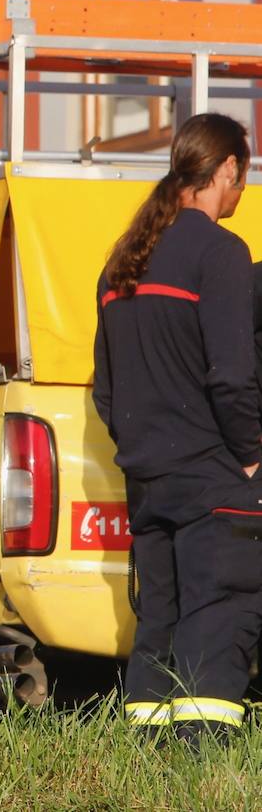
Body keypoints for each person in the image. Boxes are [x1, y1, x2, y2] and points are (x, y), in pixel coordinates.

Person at [93, 112, 262, 747]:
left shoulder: (121, 264)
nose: (242, 191)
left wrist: (138, 451)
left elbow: (105, 390)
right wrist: (249, 455)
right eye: (241, 177)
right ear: (223, 171)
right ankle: (199, 766)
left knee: (159, 620)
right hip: (215, 477)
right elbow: (231, 376)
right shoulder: (220, 253)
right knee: (219, 615)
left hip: (147, 479)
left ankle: (144, 764)